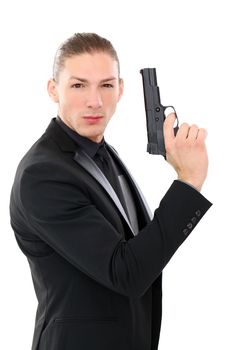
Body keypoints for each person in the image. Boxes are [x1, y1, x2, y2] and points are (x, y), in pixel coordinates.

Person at [10, 33, 212, 350]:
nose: (95, 101)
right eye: (78, 85)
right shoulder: (43, 175)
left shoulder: (101, 152)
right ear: (53, 90)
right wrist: (188, 182)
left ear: (120, 89)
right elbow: (127, 272)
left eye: (106, 85)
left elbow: (140, 251)